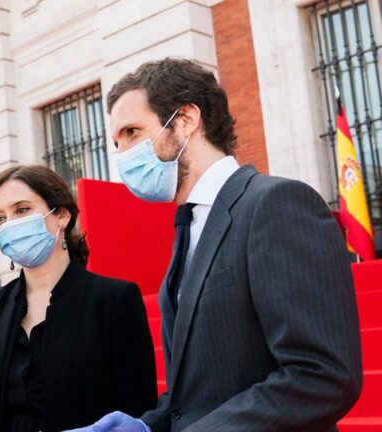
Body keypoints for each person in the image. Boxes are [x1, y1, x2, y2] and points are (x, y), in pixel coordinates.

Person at [78, 58, 363, 431]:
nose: (123, 154)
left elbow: (322, 375)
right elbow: (193, 397)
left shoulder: (275, 203)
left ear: (185, 119)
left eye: (132, 132)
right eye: (117, 143)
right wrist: (147, 426)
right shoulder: (187, 226)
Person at [0, 165, 157, 432]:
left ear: (61, 215)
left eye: (22, 209)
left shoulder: (114, 300)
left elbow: (137, 413)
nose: (10, 224)